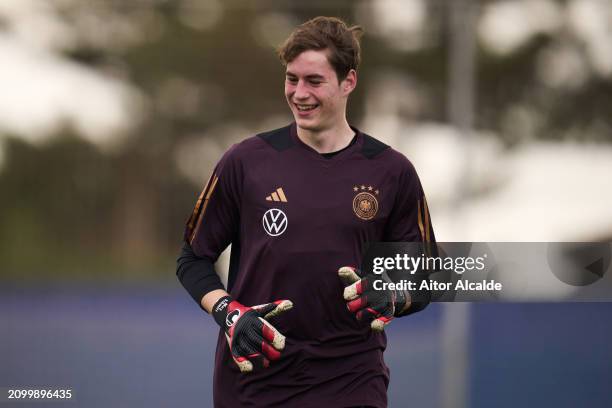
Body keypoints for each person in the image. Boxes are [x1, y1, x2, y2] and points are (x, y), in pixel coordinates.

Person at [176, 16, 436, 408]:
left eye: (314, 81)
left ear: (348, 81)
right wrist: (230, 314)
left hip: (351, 380)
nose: (299, 93)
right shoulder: (246, 162)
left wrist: (392, 293)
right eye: (291, 79)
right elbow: (192, 259)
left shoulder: (391, 171)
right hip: (254, 382)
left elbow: (426, 273)